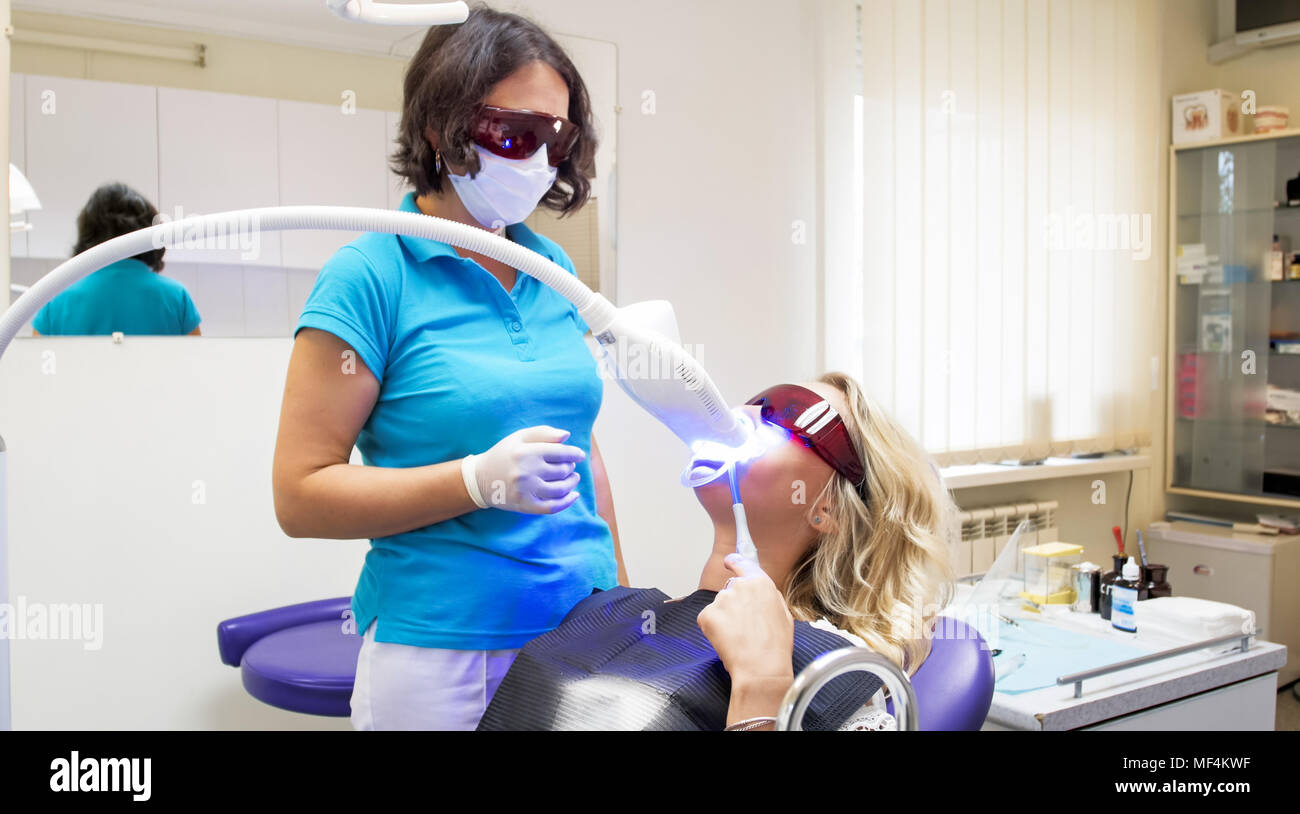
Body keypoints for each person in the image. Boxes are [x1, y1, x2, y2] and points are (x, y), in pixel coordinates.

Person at [272, 4, 625, 731]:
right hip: (441, 656)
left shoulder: (550, 266)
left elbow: (582, 448)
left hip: (579, 634)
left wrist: (621, 600)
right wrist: (474, 481)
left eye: (554, 138)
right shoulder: (371, 275)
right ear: (441, 126)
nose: (535, 158)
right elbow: (300, 495)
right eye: (513, 132)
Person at [478, 372, 956, 731]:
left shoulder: (833, 677)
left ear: (827, 508)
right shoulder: (614, 610)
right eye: (756, 400)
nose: (742, 414)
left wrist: (762, 687)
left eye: (789, 411)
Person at [32, 182, 201, 337]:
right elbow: (197, 364)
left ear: (87, 235)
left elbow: (36, 367)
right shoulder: (176, 298)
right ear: (150, 233)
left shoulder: (56, 301)